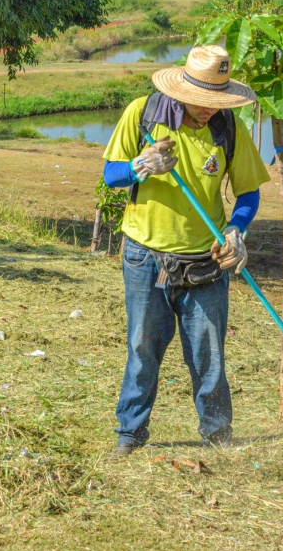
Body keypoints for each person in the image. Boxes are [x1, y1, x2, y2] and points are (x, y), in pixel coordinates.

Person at [102, 45, 271, 456]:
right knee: (142, 348)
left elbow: (249, 192)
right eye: (202, 102)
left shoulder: (227, 127)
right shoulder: (143, 114)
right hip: (146, 257)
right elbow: (111, 176)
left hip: (205, 261)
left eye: (218, 102)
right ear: (181, 91)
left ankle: (217, 434)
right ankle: (131, 432)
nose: (209, 110)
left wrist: (235, 232)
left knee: (208, 352)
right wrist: (141, 167)